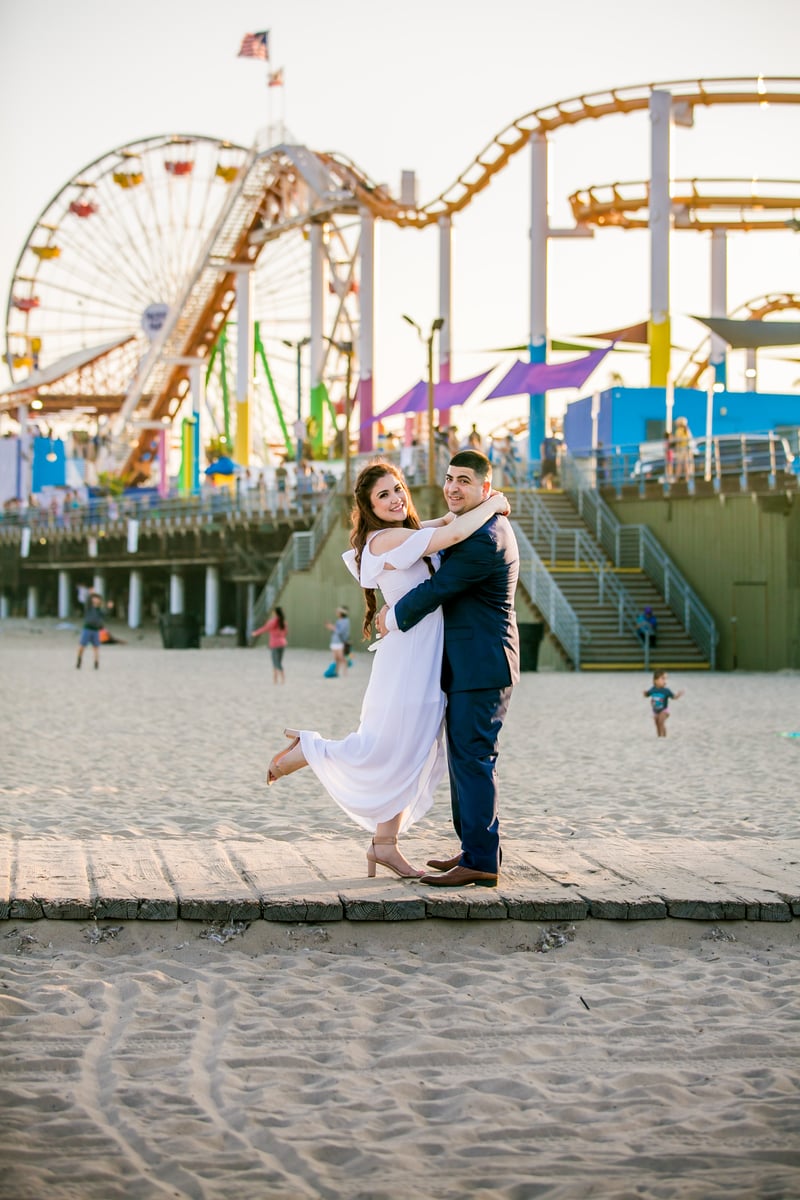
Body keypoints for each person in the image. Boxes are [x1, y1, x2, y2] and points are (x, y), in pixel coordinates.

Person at [265, 459, 509, 880]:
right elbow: (451, 534)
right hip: (410, 657)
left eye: (398, 488)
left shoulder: (402, 532)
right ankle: (310, 749)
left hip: (423, 655)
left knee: (410, 748)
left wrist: (468, 507)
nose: (396, 498)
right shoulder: (386, 539)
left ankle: (384, 844)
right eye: (384, 495)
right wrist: (495, 503)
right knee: (387, 746)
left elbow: (444, 523)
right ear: (369, 506)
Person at [378, 449, 520, 888]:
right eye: (449, 478)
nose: (453, 488)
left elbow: (438, 588)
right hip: (471, 664)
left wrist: (391, 618)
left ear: (485, 487)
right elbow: (431, 535)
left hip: (482, 665)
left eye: (464, 481)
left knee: (474, 758)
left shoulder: (485, 538)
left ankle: (481, 860)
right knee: (466, 758)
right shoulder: (474, 524)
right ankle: (477, 848)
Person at [252, 605, 288, 684]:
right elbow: (285, 633)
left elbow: (265, 628)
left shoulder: (273, 621)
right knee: (279, 661)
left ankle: (282, 679)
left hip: (275, 644)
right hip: (282, 643)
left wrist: (256, 633)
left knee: (275, 662)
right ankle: (275, 679)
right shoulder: (284, 622)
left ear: (275, 613)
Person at [644, 670, 684, 738]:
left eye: (665, 679)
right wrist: (645, 693)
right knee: (657, 723)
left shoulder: (666, 690)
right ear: (655, 681)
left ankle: (664, 737)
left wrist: (678, 695)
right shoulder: (653, 689)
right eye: (662, 679)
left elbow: (673, 697)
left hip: (664, 710)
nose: (665, 681)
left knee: (661, 721)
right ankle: (659, 736)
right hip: (655, 711)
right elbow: (647, 695)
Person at [76, 591, 108, 670]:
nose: (96, 600)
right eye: (95, 598)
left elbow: (105, 615)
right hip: (87, 629)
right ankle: (79, 659)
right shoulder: (88, 607)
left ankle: (96, 663)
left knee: (96, 647)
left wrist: (108, 607)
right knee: (82, 646)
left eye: (98, 598)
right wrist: (90, 594)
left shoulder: (99, 610)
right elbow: (87, 600)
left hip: (95, 630)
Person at [324, 606, 350, 678]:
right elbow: (336, 631)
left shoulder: (346, 621)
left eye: (338, 612)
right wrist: (331, 627)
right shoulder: (339, 620)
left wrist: (332, 627)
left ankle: (345, 672)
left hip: (340, 642)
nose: (336, 613)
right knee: (336, 658)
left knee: (341, 657)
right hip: (334, 642)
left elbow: (340, 631)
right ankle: (336, 672)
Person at [672, 417, 694, 482]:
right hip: (687, 449)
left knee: (679, 464)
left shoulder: (679, 430)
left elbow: (677, 441)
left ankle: (676, 479)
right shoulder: (687, 430)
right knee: (687, 465)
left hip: (681, 449)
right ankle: (687, 479)